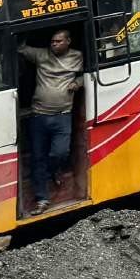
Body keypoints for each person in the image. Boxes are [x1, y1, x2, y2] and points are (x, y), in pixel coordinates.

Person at [16, 29, 83, 215]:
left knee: (59, 152)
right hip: (39, 116)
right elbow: (20, 48)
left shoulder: (78, 57)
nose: (54, 44)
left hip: (63, 116)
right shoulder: (41, 54)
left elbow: (91, 73)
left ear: (68, 41)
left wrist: (78, 82)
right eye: (52, 41)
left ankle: (55, 171)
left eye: (59, 41)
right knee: (38, 159)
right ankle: (42, 199)